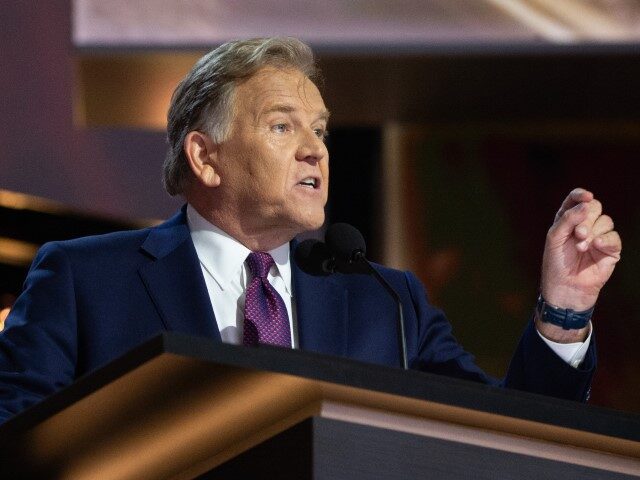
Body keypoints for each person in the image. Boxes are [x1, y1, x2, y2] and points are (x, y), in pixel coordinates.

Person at [0, 38, 621, 424]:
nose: (315, 151)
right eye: (282, 126)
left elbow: (507, 432)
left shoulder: (386, 304)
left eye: (320, 130)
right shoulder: (84, 280)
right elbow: (21, 442)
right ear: (203, 157)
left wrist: (562, 313)